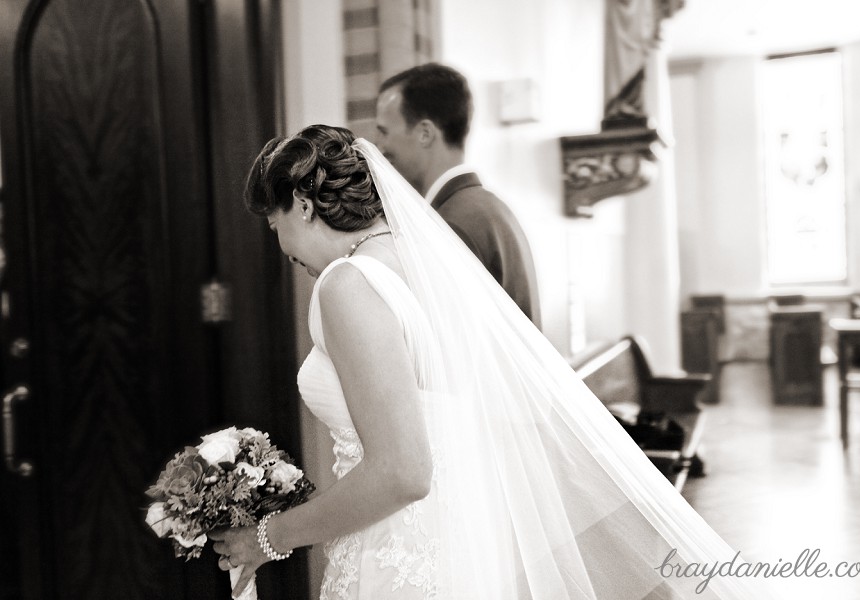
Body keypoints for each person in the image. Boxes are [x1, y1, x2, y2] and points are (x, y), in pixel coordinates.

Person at [209, 125, 775, 599]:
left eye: (274, 221)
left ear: (303, 206)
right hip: (470, 538)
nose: (279, 244)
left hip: (405, 553)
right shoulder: (429, 266)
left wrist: (269, 536)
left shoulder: (348, 285)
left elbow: (403, 472)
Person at [375, 63, 541, 327]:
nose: (381, 148)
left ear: (425, 133)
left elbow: (457, 343)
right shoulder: (489, 206)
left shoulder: (450, 223)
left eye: (385, 132)